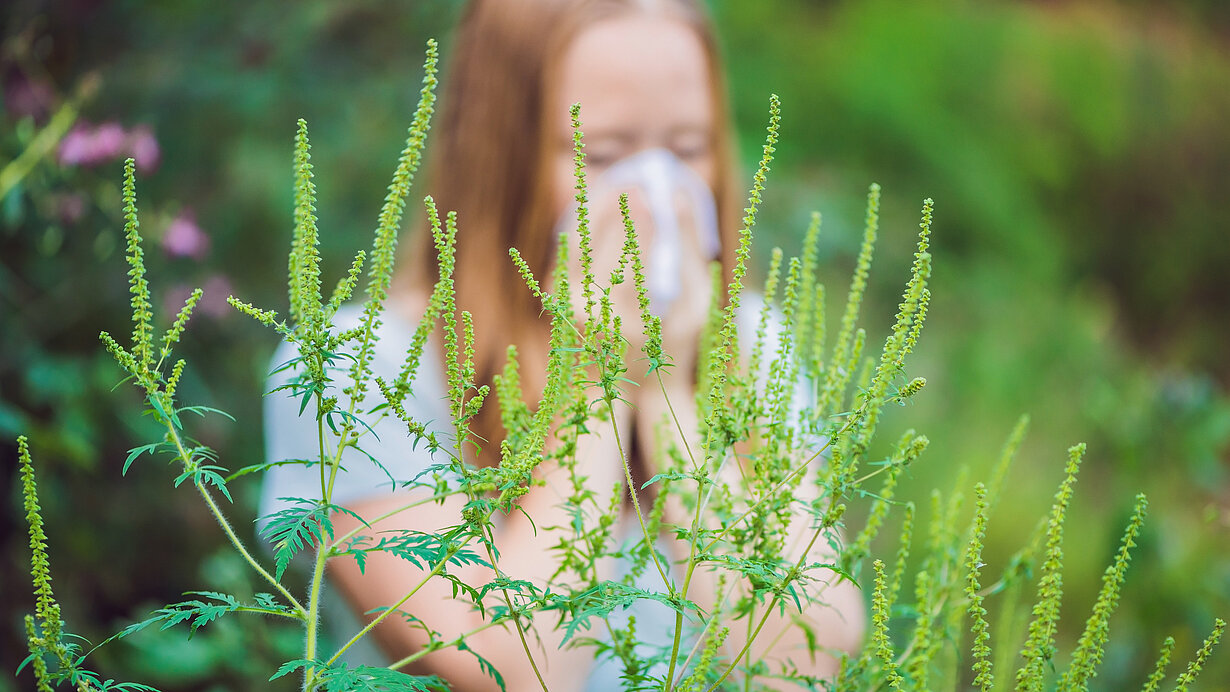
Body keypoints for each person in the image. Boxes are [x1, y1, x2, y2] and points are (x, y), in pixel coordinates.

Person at [262, 0, 866, 689]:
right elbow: (515, 668)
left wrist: (666, 391)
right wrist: (600, 379)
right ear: (500, 155)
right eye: (604, 154)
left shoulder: (756, 343)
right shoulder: (357, 369)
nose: (654, 193)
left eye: (689, 147)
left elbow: (805, 659)